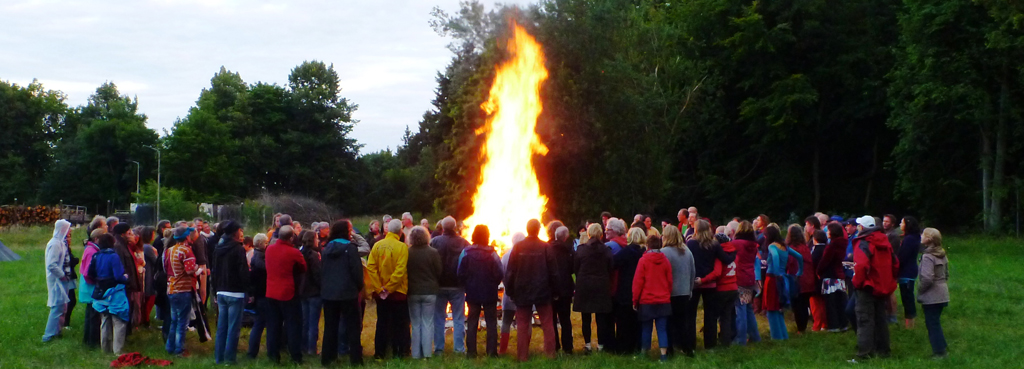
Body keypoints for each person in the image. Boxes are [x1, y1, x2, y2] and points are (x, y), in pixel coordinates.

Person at [505, 219, 560, 362]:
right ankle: (550, 355)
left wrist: (510, 291)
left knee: (522, 324)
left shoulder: (518, 247)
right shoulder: (545, 247)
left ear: (527, 229)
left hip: (522, 291)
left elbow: (510, 272)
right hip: (543, 290)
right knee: (547, 323)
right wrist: (555, 291)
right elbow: (553, 272)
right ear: (539, 229)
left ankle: (522, 356)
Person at [851, 215, 899, 361]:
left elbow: (861, 266)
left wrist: (857, 283)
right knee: (880, 319)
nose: (857, 227)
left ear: (862, 228)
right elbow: (895, 263)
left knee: (865, 320)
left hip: (867, 286)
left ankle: (864, 355)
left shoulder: (863, 242)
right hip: (882, 285)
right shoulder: (885, 240)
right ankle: (883, 351)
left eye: (859, 225)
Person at [320, 220, 365, 366]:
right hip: (348, 293)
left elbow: (323, 271)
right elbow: (357, 272)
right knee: (353, 327)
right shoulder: (350, 249)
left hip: (329, 294)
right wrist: (359, 287)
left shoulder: (326, 249)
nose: (351, 232)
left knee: (330, 327)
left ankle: (327, 358)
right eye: (350, 229)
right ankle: (356, 359)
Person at [687, 219, 735, 349]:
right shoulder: (714, 244)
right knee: (710, 316)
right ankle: (710, 345)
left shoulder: (690, 244)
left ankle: (690, 345)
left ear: (695, 230)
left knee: (691, 315)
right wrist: (733, 253)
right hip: (710, 284)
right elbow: (726, 259)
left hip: (695, 283)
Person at [367, 219, 411, 359]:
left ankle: (379, 353)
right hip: (398, 292)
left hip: (381, 294)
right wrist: (390, 288)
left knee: (382, 323)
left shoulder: (377, 245)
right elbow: (400, 270)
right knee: (400, 324)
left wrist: (379, 288)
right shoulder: (402, 247)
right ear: (400, 231)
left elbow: (371, 267)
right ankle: (399, 352)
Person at [458, 225, 503, 358]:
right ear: (487, 236)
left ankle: (471, 352)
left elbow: (460, 272)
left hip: (472, 292)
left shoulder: (466, 252)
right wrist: (494, 283)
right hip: (489, 292)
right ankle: (492, 352)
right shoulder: (492, 254)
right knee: (491, 322)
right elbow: (500, 273)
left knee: (472, 322)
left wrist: (467, 284)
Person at [265, 225, 308, 364]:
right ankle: (295, 356)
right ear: (291, 237)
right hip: (287, 292)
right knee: (293, 325)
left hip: (271, 291)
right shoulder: (294, 252)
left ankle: (273, 355)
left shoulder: (269, 249)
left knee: (273, 326)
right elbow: (303, 267)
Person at [430, 216, 468, 356]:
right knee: (458, 318)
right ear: (454, 227)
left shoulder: (434, 241)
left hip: (439, 285)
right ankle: (459, 349)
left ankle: (438, 349)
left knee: (439, 318)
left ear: (442, 227)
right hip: (457, 285)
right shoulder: (463, 242)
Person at [573, 223, 614, 354]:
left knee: (586, 317)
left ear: (588, 234)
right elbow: (611, 267)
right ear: (601, 234)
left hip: (584, 285)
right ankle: (601, 345)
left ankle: (588, 345)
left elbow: (575, 268)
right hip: (601, 285)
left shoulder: (581, 249)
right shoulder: (606, 250)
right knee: (601, 318)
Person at [213, 221, 249, 364]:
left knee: (222, 327)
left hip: (221, 291)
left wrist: (215, 289)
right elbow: (243, 271)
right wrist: (248, 289)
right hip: (235, 292)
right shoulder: (238, 249)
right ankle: (230, 359)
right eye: (240, 230)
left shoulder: (218, 248)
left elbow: (214, 270)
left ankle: (219, 357)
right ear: (235, 232)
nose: (241, 233)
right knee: (233, 328)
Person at [632, 235, 672, 362]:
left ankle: (644, 352)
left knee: (646, 328)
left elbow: (638, 282)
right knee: (662, 328)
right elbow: (670, 280)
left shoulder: (643, 260)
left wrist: (635, 299)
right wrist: (667, 293)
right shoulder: (665, 260)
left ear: (647, 246)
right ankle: (663, 354)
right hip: (663, 299)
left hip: (647, 300)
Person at [89, 234, 130, 354]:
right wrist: (126, 277)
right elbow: (118, 276)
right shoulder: (114, 256)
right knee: (119, 321)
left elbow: (90, 272)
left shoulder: (96, 255)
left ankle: (105, 349)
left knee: (105, 320)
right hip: (114, 292)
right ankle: (118, 351)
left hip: (100, 292)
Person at [760, 225, 803, 340]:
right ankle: (783, 335)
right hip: (783, 278)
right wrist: (800, 271)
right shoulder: (784, 247)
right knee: (779, 308)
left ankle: (776, 336)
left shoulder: (772, 246)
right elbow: (799, 257)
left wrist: (776, 271)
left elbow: (774, 256)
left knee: (771, 308)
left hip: (772, 278)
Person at [164, 227, 201, 356]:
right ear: (186, 237)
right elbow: (190, 270)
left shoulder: (169, 250)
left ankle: (170, 346)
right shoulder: (186, 250)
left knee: (174, 319)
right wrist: (197, 268)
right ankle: (179, 349)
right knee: (182, 322)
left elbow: (165, 268)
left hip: (171, 288)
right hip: (183, 289)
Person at [407, 226, 442, 359]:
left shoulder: (408, 252)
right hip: (430, 291)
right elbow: (439, 271)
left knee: (415, 324)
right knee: (428, 322)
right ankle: (427, 353)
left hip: (413, 291)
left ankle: (416, 354)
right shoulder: (433, 252)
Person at [661, 224, 696, 355]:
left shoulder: (664, 253)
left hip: (669, 292)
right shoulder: (687, 252)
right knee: (682, 322)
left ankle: (669, 349)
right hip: (684, 291)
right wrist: (690, 289)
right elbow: (693, 271)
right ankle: (687, 348)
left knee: (669, 322)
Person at [612, 227, 645, 355]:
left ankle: (623, 347)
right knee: (638, 320)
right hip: (641, 289)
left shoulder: (626, 252)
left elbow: (613, 263)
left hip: (625, 288)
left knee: (623, 320)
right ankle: (637, 345)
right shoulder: (644, 252)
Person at [918, 228, 949, 359]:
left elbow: (927, 278)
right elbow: (946, 274)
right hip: (943, 293)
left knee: (932, 323)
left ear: (928, 239)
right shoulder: (941, 254)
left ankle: (939, 352)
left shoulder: (927, 257)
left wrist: (920, 290)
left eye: (923, 235)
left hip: (932, 295)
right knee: (935, 321)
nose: (921, 236)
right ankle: (942, 346)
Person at [547, 222, 576, 354]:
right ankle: (568, 347)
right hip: (565, 289)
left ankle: (554, 345)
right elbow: (572, 269)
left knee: (551, 319)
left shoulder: (547, 248)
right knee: (565, 319)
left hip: (551, 288)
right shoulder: (569, 250)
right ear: (565, 237)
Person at [731, 221, 761, 345]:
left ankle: (741, 340)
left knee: (740, 309)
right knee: (748, 308)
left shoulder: (736, 244)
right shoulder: (753, 245)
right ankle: (755, 336)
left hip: (740, 278)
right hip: (750, 277)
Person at [43, 219, 72, 343]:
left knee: (62, 306)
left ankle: (57, 331)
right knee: (57, 307)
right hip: (57, 280)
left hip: (62, 280)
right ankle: (48, 335)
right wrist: (62, 275)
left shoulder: (60, 243)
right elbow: (52, 265)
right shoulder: (54, 244)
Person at [498, 232, 527, 355]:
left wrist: (507, 286)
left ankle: (503, 350)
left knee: (506, 322)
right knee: (524, 323)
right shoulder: (527, 255)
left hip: (509, 294)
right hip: (525, 294)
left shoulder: (505, 256)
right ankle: (524, 349)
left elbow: (502, 274)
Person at [818, 223, 849, 332]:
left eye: (828, 230)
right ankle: (843, 323)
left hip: (830, 275)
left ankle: (834, 325)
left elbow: (825, 261)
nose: (827, 232)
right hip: (839, 274)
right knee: (841, 300)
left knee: (830, 302)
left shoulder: (832, 246)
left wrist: (819, 270)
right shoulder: (843, 244)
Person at [297, 230, 323, 356]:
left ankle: (303, 346)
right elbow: (317, 274)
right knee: (313, 323)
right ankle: (312, 349)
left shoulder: (300, 253)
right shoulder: (313, 255)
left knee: (304, 321)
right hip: (313, 292)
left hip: (303, 291)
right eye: (317, 238)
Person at [787, 225, 815, 334]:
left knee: (797, 306)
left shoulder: (792, 249)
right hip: (808, 278)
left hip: (797, 280)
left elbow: (790, 264)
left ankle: (800, 329)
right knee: (804, 304)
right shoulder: (805, 247)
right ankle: (803, 327)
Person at [80, 228, 105, 348]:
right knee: (93, 315)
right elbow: (87, 272)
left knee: (90, 313)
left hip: (90, 286)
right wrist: (95, 281)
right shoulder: (91, 251)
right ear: (96, 239)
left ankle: (88, 339)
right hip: (91, 287)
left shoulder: (91, 249)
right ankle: (92, 341)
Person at [247, 234, 270, 359]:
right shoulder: (260, 258)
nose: (267, 245)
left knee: (259, 323)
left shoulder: (255, 256)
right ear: (261, 244)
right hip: (263, 294)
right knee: (261, 323)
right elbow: (265, 271)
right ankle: (253, 352)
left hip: (258, 294)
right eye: (266, 243)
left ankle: (253, 352)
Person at [897, 216, 922, 329]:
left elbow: (903, 256)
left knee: (907, 297)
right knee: (907, 296)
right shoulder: (913, 237)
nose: (900, 225)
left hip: (906, 272)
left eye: (901, 223)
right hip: (909, 270)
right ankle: (909, 321)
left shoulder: (909, 239)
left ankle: (910, 324)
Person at [715, 229, 738, 346]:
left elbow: (718, 273)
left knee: (716, 316)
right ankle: (727, 340)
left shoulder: (720, 255)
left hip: (722, 288)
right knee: (727, 316)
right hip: (733, 287)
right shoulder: (733, 252)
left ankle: (719, 340)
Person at [809, 229, 829, 332]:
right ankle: (824, 324)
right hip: (826, 280)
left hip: (815, 281)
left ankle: (817, 325)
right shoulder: (827, 249)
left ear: (815, 239)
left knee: (815, 304)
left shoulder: (816, 251)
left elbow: (811, 265)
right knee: (824, 303)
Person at [140, 227, 158, 328]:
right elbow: (156, 260)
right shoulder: (148, 247)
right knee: (150, 296)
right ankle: (145, 320)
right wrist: (156, 253)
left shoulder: (144, 246)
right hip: (149, 274)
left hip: (147, 273)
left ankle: (144, 319)